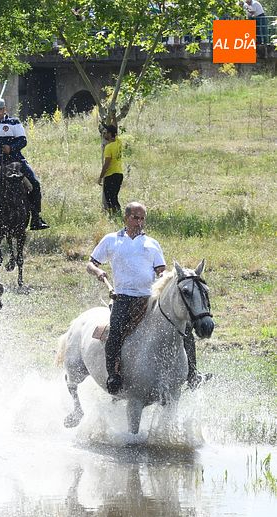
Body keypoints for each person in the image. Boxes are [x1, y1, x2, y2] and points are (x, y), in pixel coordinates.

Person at [86, 202, 207, 394]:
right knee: (115, 331)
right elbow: (90, 263)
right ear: (126, 218)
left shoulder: (152, 244)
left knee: (184, 329)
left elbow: (160, 271)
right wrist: (98, 271)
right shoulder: (111, 240)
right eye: (135, 218)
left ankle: (192, 373)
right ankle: (113, 376)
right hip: (123, 298)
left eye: (142, 218)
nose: (139, 222)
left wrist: (166, 278)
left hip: (149, 299)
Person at [0, 97, 50, 230]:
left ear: (4, 110)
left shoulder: (14, 122)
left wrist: (11, 148)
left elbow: (23, 141)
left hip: (15, 161)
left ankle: (36, 218)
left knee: (35, 183)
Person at [97, 124, 123, 215]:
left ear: (110, 134)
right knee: (114, 197)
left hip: (110, 175)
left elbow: (106, 164)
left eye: (106, 133)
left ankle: (113, 216)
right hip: (119, 174)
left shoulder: (109, 147)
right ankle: (118, 214)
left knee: (109, 198)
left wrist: (101, 177)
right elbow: (116, 132)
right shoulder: (119, 143)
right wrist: (113, 117)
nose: (104, 135)